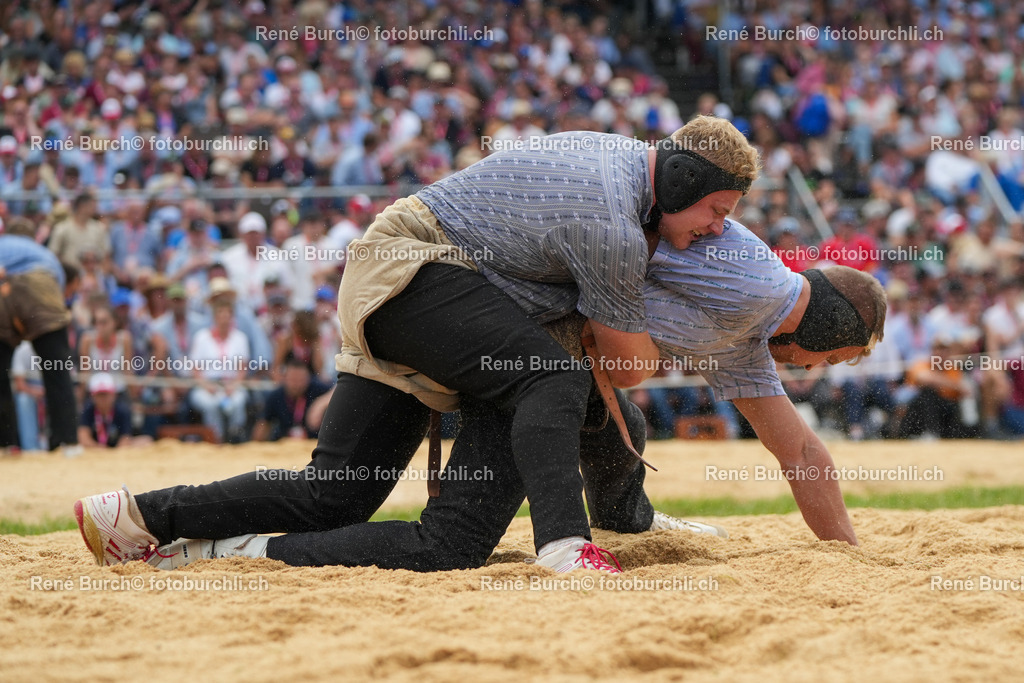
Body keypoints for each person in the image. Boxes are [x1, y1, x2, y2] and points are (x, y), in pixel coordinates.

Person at [75, 117, 759, 573]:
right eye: (717, 213)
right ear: (682, 184)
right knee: (554, 376)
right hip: (414, 272)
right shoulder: (612, 223)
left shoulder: (621, 165)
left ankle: (153, 523)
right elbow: (632, 365)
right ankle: (564, 544)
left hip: (415, 284)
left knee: (341, 500)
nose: (718, 232)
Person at [0, 222, 80, 455]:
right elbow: (59, 288)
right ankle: (66, 442)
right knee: (57, 371)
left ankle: (4, 444)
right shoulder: (43, 253)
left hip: (2, 287)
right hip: (41, 285)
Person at [252, 354, 333, 441]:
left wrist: (321, 403)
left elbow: (337, 388)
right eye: (293, 380)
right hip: (285, 443)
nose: (296, 385)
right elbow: (263, 425)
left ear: (308, 378)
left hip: (314, 442)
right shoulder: (276, 396)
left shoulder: (317, 389)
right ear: (285, 379)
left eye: (300, 380)